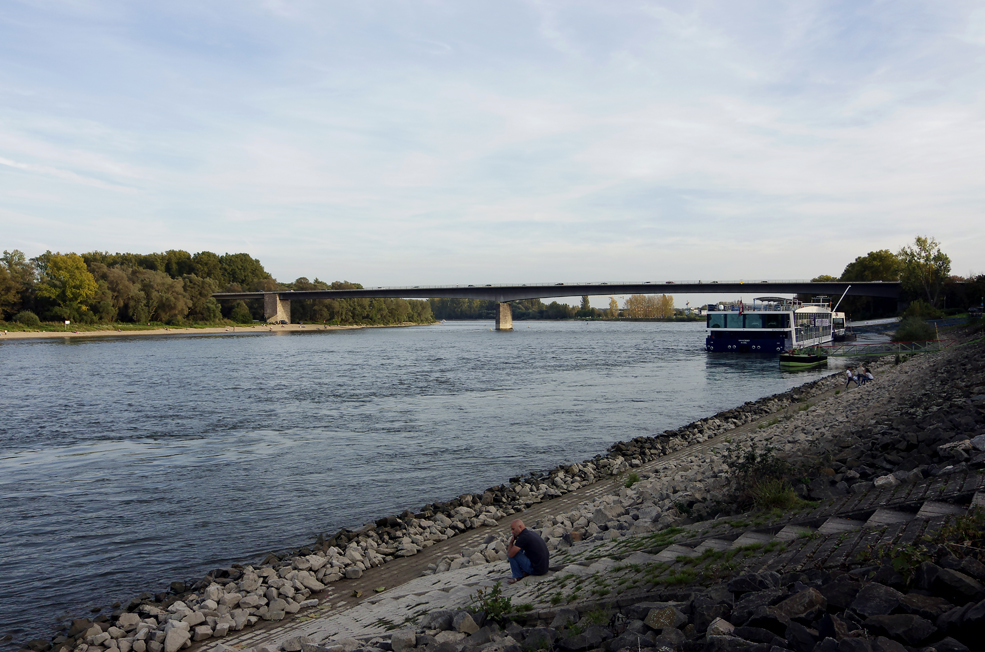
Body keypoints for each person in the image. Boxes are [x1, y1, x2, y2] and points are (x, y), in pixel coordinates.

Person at [507, 519, 549, 584]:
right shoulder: (530, 533)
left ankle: (518, 576)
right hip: (544, 568)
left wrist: (511, 542)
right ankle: (524, 572)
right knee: (518, 550)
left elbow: (510, 554)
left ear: (520, 527)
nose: (512, 532)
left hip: (536, 570)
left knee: (511, 553)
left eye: (513, 529)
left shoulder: (523, 538)